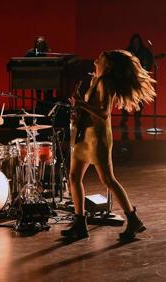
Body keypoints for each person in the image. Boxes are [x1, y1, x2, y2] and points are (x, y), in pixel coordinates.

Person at [63, 50, 155, 240]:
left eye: (100, 58)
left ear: (108, 65)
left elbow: (104, 113)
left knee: (108, 179)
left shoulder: (105, 82)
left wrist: (82, 104)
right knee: (73, 177)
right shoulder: (95, 81)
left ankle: (133, 219)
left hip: (98, 137)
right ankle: (80, 223)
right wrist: (78, 111)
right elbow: (91, 110)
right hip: (85, 135)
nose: (96, 59)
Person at [121, 33, 154, 128]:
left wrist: (144, 69)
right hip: (129, 77)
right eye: (134, 41)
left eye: (137, 41)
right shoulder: (128, 51)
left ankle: (137, 116)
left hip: (140, 77)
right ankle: (125, 116)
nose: (136, 43)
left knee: (140, 97)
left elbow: (149, 62)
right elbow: (123, 63)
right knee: (126, 96)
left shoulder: (144, 51)